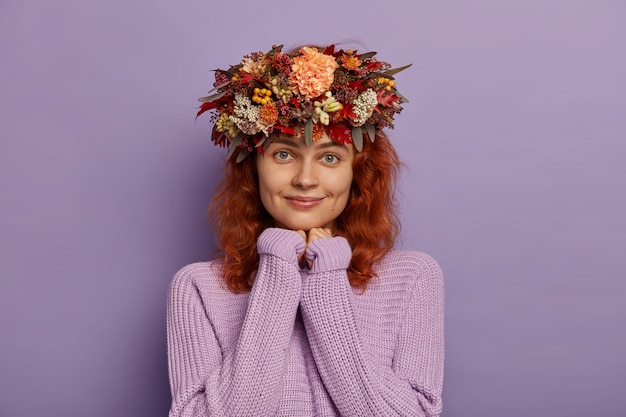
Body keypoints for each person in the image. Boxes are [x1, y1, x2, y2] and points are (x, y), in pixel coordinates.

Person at [167, 44, 444, 417]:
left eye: (330, 158)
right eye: (284, 154)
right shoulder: (198, 288)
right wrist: (278, 272)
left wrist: (327, 280)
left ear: (356, 173)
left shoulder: (412, 278)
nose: (305, 179)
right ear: (253, 167)